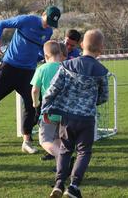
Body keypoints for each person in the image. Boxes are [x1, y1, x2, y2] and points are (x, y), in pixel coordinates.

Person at [0, 6, 61, 154]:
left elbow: (38, 51)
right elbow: (1, 24)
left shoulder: (48, 31)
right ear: (43, 14)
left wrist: (41, 58)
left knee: (32, 105)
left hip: (28, 71)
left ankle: (27, 141)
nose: (48, 25)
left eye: (51, 23)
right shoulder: (26, 20)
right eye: (47, 21)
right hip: (9, 68)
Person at [41, 29, 109, 198]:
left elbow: (52, 90)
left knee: (65, 149)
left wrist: (45, 109)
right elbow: (104, 97)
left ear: (82, 44)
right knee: (83, 152)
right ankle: (73, 186)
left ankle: (58, 183)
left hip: (67, 118)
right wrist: (91, 102)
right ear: (101, 48)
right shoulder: (101, 71)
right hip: (87, 118)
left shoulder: (67, 65)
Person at [31, 40, 62, 164]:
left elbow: (35, 90)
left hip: (48, 112)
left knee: (44, 141)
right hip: (65, 111)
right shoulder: (65, 67)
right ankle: (61, 166)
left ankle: (63, 158)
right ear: (60, 53)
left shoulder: (42, 69)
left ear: (45, 56)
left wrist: (35, 103)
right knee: (57, 139)